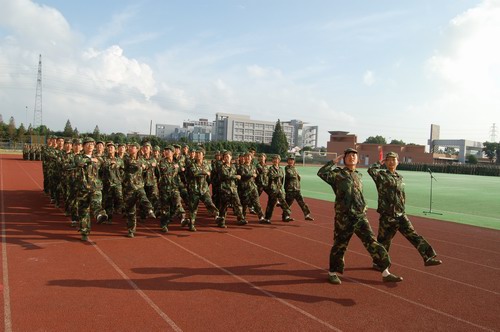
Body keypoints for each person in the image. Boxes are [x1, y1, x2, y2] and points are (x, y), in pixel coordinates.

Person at [317, 148, 402, 284]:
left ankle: (385, 272)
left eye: (354, 156)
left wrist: (364, 205)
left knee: (372, 242)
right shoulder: (337, 174)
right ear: (344, 159)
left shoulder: (358, 175)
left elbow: (358, 194)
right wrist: (333, 162)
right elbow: (321, 173)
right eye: (349, 155)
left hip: (360, 216)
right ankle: (332, 272)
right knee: (340, 245)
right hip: (344, 217)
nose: (352, 157)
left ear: (358, 160)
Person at [368, 152, 442, 270]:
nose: (391, 162)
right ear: (385, 162)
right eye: (389, 160)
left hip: (401, 214)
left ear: (398, 162)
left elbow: (401, 195)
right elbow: (371, 170)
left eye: (394, 159)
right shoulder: (381, 176)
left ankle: (428, 257)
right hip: (387, 215)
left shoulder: (400, 177)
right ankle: (378, 263)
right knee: (384, 241)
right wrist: (379, 162)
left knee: (413, 235)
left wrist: (402, 208)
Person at [73, 137, 108, 241]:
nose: (90, 146)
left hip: (95, 187)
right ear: (83, 146)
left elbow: (104, 165)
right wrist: (90, 160)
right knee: (83, 211)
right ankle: (84, 232)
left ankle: (100, 215)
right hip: (83, 188)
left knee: (96, 203)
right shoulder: (78, 157)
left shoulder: (99, 158)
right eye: (87, 144)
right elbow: (78, 162)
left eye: (92, 144)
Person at [122, 142, 156, 238]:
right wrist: (143, 165)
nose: (131, 149)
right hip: (129, 188)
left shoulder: (142, 159)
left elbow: (149, 165)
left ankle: (149, 210)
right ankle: (131, 230)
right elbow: (133, 165)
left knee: (143, 197)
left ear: (137, 149)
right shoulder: (126, 158)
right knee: (131, 210)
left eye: (133, 147)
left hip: (139, 186)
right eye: (130, 147)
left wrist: (146, 166)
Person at [264, 155, 294, 223]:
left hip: (279, 189)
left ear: (279, 160)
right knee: (271, 204)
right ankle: (267, 218)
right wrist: (278, 175)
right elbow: (271, 176)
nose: (275, 160)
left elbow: (282, 179)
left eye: (277, 159)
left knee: (284, 202)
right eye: (274, 159)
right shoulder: (271, 168)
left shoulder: (280, 169)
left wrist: (281, 186)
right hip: (273, 189)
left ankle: (286, 216)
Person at [284, 156, 314, 221]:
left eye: (292, 160)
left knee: (302, 202)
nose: (290, 161)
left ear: (294, 161)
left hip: (297, 189)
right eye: (289, 160)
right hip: (290, 189)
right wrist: (296, 175)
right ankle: (286, 216)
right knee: (288, 204)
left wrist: (298, 176)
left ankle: (307, 215)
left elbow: (298, 178)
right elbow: (290, 175)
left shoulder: (295, 168)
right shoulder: (287, 168)